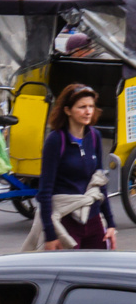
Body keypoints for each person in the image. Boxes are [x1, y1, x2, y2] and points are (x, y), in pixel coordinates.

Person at [30, 83, 118, 252]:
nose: (88, 112)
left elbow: (99, 182)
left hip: (92, 219)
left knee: (96, 275)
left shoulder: (94, 136)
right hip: (66, 220)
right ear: (67, 110)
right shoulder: (56, 140)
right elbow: (45, 191)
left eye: (91, 106)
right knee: (67, 275)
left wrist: (111, 224)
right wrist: (50, 235)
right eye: (82, 107)